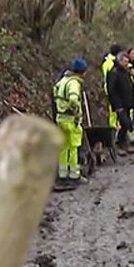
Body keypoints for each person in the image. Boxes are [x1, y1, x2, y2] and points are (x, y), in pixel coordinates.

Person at [53, 58, 88, 189]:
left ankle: (62, 175)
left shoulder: (63, 80)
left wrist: (61, 106)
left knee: (64, 148)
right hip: (70, 120)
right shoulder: (74, 83)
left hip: (60, 118)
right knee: (73, 147)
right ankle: (74, 176)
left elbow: (55, 92)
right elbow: (73, 99)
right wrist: (76, 111)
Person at [106, 52, 134, 155]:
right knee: (125, 123)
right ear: (119, 61)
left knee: (125, 124)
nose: (126, 63)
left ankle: (123, 143)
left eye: (127, 61)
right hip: (119, 104)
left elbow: (133, 84)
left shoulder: (126, 72)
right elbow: (112, 91)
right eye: (125, 61)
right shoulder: (114, 73)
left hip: (127, 102)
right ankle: (119, 144)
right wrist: (117, 105)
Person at [101, 44, 122, 130]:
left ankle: (112, 128)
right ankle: (116, 128)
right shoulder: (114, 63)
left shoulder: (106, 62)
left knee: (112, 110)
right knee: (117, 110)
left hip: (108, 87)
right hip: (115, 89)